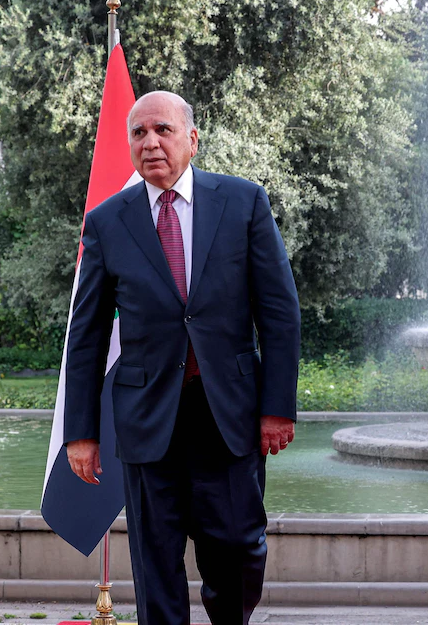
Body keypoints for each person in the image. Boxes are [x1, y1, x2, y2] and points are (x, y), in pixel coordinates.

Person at [63, 90, 300, 625]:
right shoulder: (107, 222)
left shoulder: (243, 202)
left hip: (229, 415)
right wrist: (81, 433)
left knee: (238, 549)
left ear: (192, 140)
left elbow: (280, 312)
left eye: (163, 130)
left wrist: (277, 407)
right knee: (155, 563)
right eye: (139, 133)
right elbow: (87, 335)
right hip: (147, 420)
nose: (150, 143)